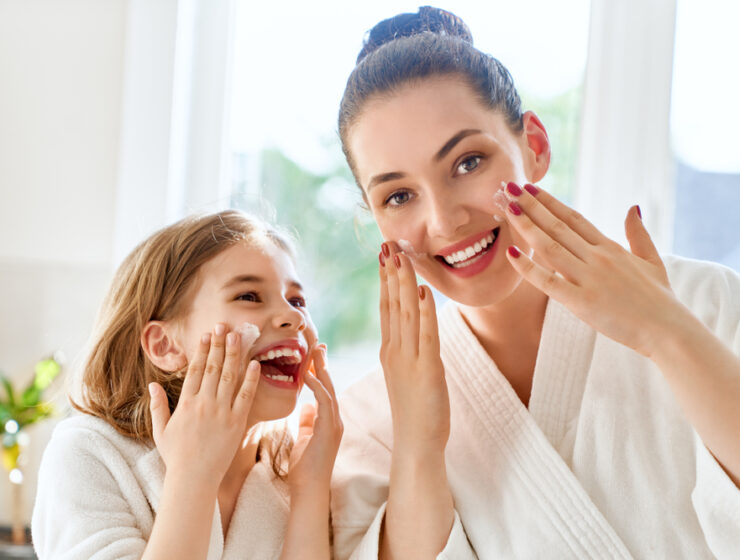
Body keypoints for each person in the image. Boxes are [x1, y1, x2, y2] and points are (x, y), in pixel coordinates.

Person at [330, 6, 740, 559]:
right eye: (398, 196)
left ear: (536, 146)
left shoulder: (703, 303)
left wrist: (666, 333)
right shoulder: (372, 419)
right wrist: (419, 445)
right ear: (372, 220)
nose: (445, 221)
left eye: (468, 162)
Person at [31, 210, 343, 559]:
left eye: (297, 301)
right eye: (249, 296)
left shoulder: (294, 472)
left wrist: (311, 490)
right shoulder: (88, 454)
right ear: (165, 346)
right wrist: (195, 474)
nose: (295, 317)